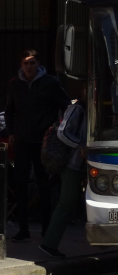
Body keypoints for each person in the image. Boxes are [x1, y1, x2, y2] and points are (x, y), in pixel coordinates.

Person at [5, 49, 70, 242]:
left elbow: (66, 106)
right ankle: (23, 229)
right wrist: (10, 133)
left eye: (32, 63)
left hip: (44, 141)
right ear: (21, 65)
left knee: (44, 185)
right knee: (21, 184)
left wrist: (59, 129)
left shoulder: (50, 83)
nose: (29, 66)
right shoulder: (14, 85)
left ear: (38, 64)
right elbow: (9, 110)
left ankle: (46, 229)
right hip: (23, 141)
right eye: (25, 63)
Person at [39, 88, 87, 258]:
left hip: (79, 164)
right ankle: (49, 243)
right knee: (66, 202)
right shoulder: (78, 109)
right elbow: (63, 132)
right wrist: (80, 145)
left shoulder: (87, 109)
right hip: (71, 163)